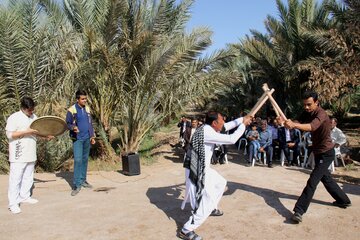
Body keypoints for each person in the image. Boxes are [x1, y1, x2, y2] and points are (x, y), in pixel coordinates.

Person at [180, 111, 252, 240]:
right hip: (196, 169)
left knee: (220, 183)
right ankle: (186, 229)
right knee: (205, 199)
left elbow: (227, 126)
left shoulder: (207, 127)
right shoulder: (207, 132)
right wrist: (243, 125)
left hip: (201, 167)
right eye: (221, 120)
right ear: (214, 123)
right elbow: (231, 139)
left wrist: (242, 119)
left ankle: (211, 208)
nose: (223, 122)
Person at [285, 91, 351, 223]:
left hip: (327, 153)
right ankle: (344, 200)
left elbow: (311, 127)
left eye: (309, 104)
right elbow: (298, 121)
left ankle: (299, 211)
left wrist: (294, 125)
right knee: (326, 179)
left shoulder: (322, 114)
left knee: (312, 181)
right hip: (318, 152)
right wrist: (288, 122)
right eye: (304, 105)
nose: (306, 107)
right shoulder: (307, 112)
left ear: (316, 102)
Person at [5, 97, 53, 214]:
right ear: (24, 108)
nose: (32, 112)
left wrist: (46, 136)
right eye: (30, 110)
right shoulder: (14, 117)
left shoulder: (34, 118)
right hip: (18, 153)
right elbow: (10, 135)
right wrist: (27, 131)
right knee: (16, 178)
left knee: (28, 176)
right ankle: (13, 203)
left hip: (30, 151)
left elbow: (37, 131)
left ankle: (25, 196)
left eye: (32, 109)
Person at [66, 90, 96, 196]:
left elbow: (90, 123)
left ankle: (83, 180)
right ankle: (76, 184)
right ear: (77, 99)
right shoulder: (72, 110)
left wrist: (92, 136)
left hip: (87, 138)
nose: (85, 101)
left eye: (85, 99)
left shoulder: (87, 109)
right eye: (83, 99)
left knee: (84, 159)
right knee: (78, 160)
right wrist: (73, 127)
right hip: (77, 139)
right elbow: (67, 124)